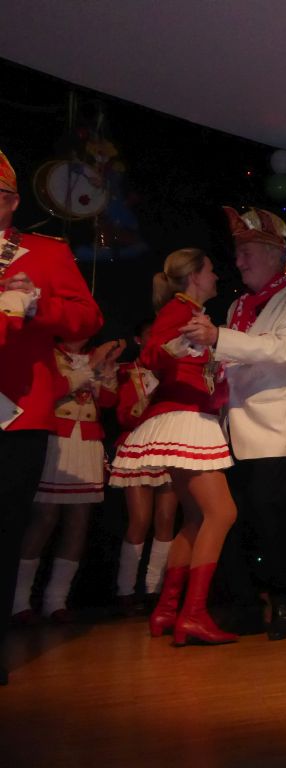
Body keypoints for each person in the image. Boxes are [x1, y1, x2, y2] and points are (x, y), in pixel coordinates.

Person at [181, 207, 286, 641]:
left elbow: (283, 350)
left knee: (271, 521)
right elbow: (230, 359)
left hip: (275, 429)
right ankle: (245, 605)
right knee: (235, 523)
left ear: (274, 255)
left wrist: (219, 339)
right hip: (231, 428)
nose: (238, 262)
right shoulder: (239, 305)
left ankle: (283, 601)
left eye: (246, 253)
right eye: (237, 253)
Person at [0, 148, 103, 684]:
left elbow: (88, 315)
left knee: (6, 526)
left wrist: (39, 304)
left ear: (13, 201)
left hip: (18, 411)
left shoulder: (45, 251)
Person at [111, 248, 237, 644]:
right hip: (184, 418)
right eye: (211, 270)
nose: (216, 276)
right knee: (223, 513)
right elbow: (152, 354)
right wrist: (179, 345)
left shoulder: (193, 314)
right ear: (195, 276)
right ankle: (193, 614)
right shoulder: (178, 309)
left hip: (189, 414)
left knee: (196, 518)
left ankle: (167, 610)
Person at [12, 336, 120, 623]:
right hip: (56, 437)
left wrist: (107, 367)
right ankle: (19, 602)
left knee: (78, 521)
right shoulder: (49, 353)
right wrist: (91, 366)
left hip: (87, 440)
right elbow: (51, 390)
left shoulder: (95, 355)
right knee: (44, 518)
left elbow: (109, 401)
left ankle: (56, 601)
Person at [109, 319, 179, 611]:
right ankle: (125, 591)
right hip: (136, 446)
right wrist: (151, 399)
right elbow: (124, 416)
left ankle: (153, 589)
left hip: (169, 447)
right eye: (151, 335)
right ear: (139, 339)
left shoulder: (173, 371)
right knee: (139, 520)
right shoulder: (126, 372)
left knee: (166, 519)